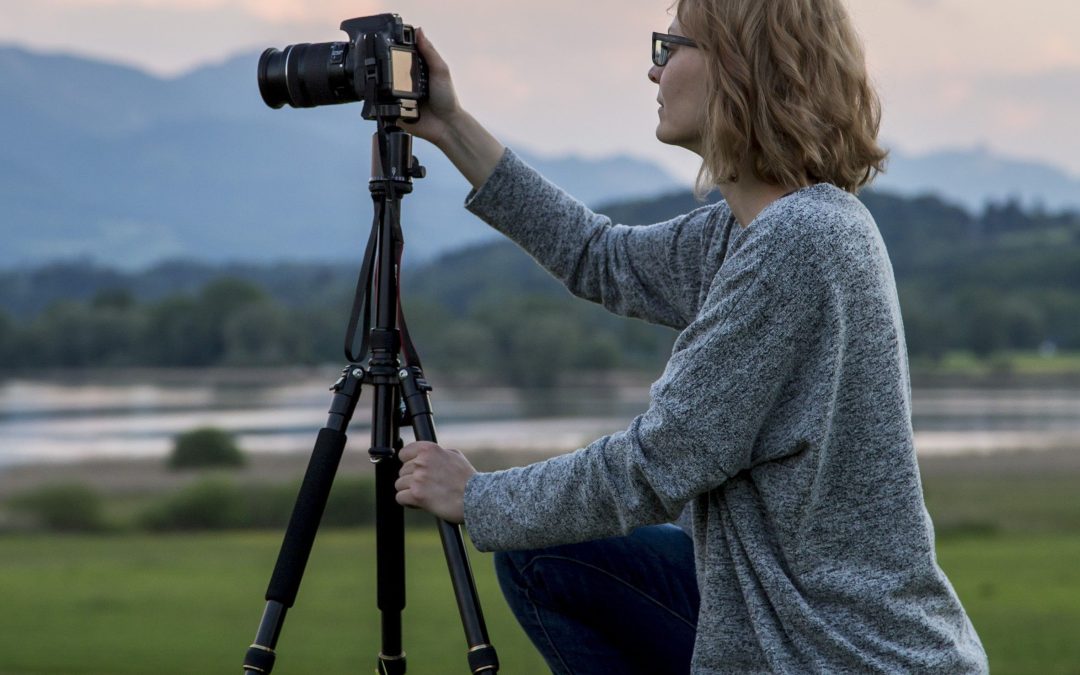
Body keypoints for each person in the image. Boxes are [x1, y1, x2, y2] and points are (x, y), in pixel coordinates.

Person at [393, 0, 989, 672]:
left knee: (538, 549)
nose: (654, 73)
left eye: (669, 47)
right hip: (782, 628)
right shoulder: (746, 233)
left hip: (837, 654)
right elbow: (600, 256)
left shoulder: (801, 243)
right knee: (545, 555)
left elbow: (654, 465)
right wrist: (448, 125)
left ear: (739, 68)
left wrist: (477, 497)